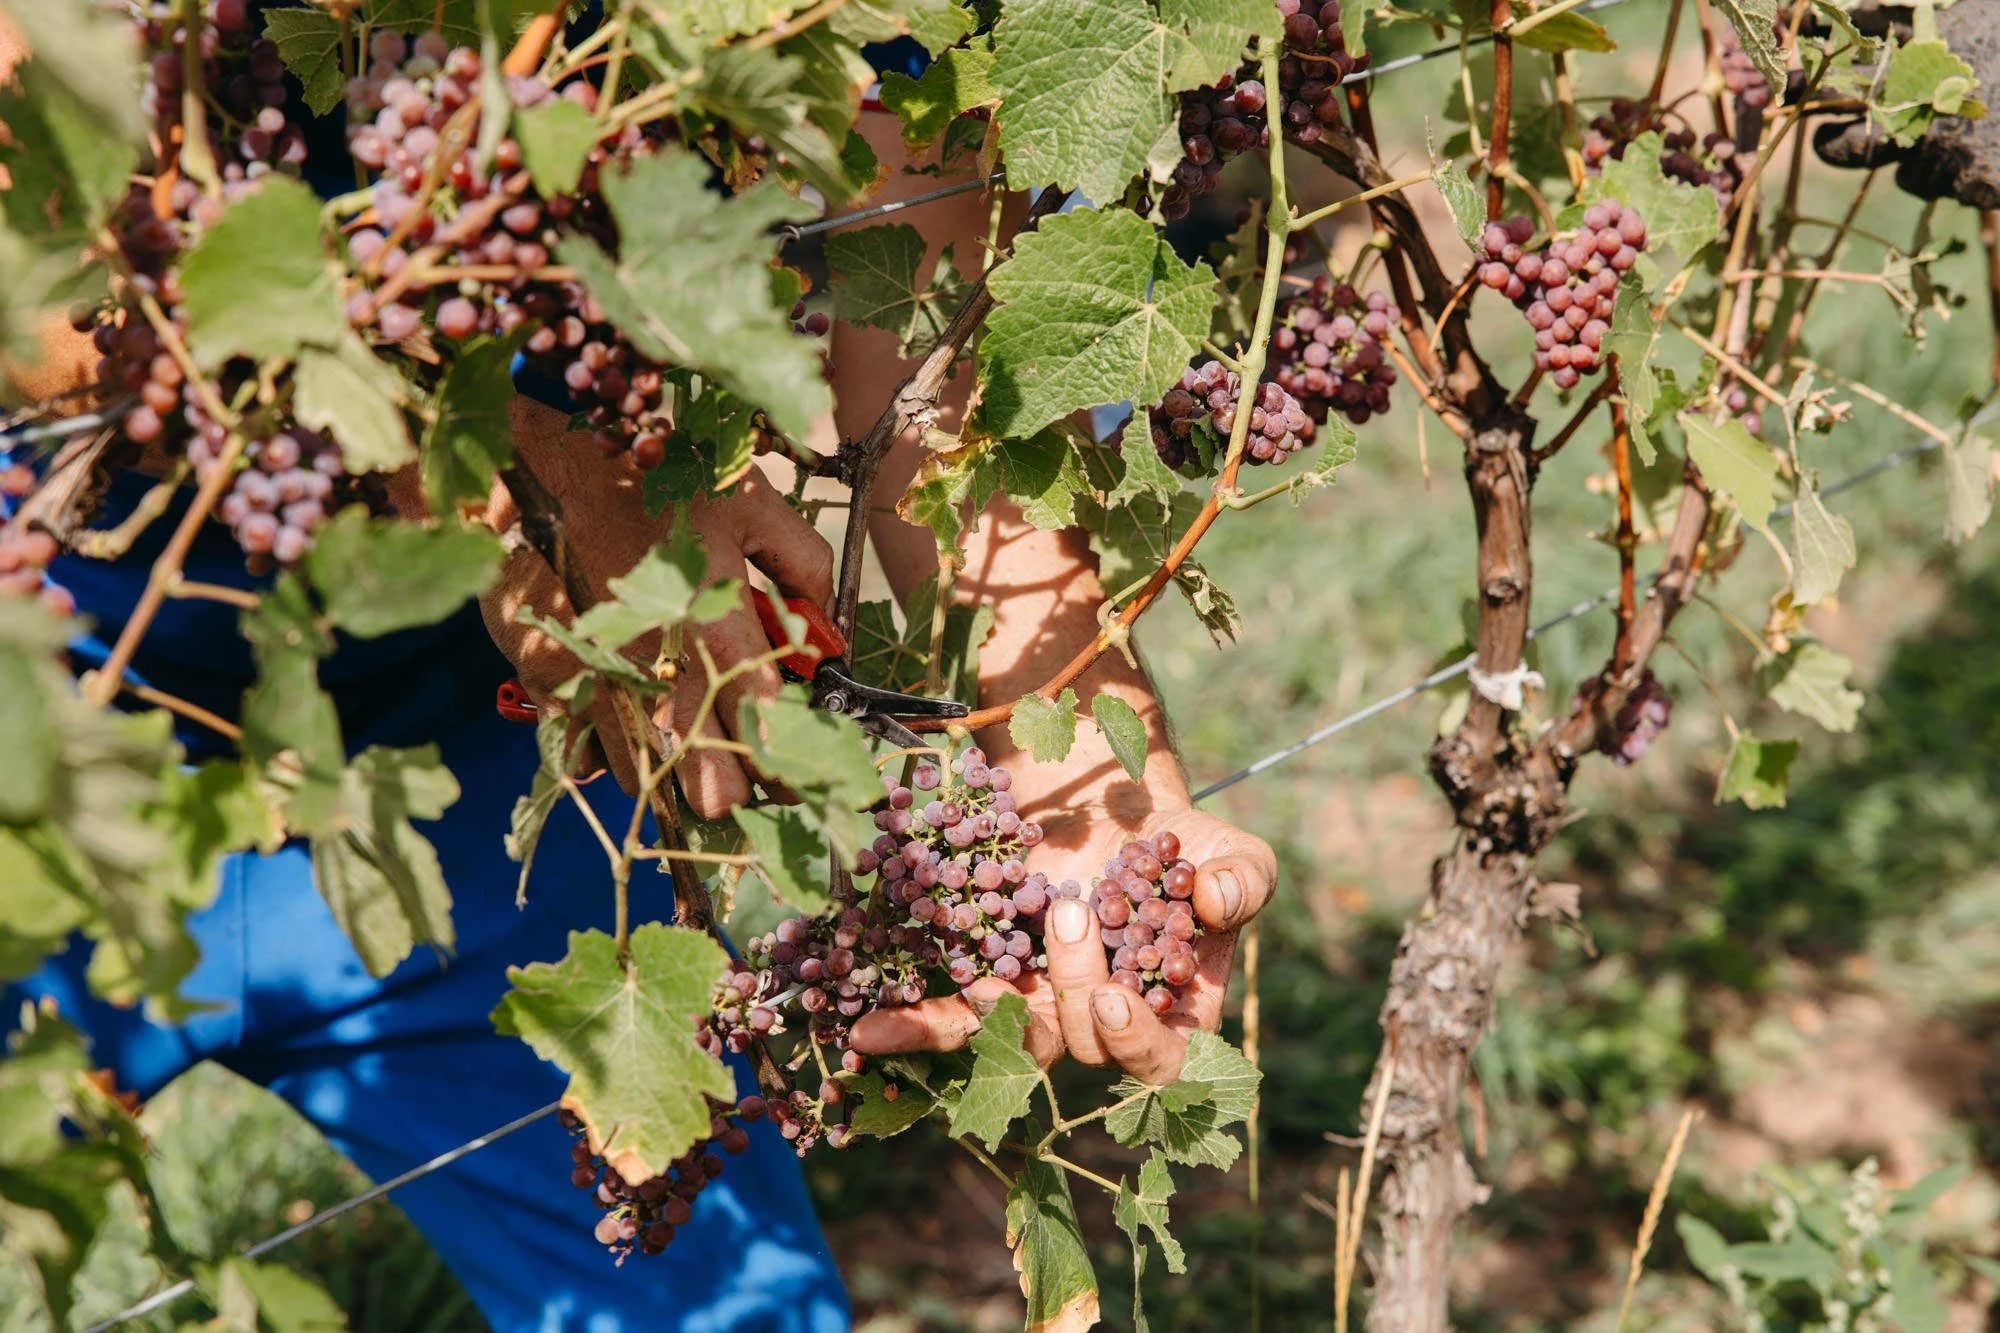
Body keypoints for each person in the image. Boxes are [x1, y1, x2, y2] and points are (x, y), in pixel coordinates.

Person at [0, 17, 1277, 1332]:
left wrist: (1078, 766)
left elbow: (923, 265)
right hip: (51, 719)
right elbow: (56, 287)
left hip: (461, 761)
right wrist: (540, 484)